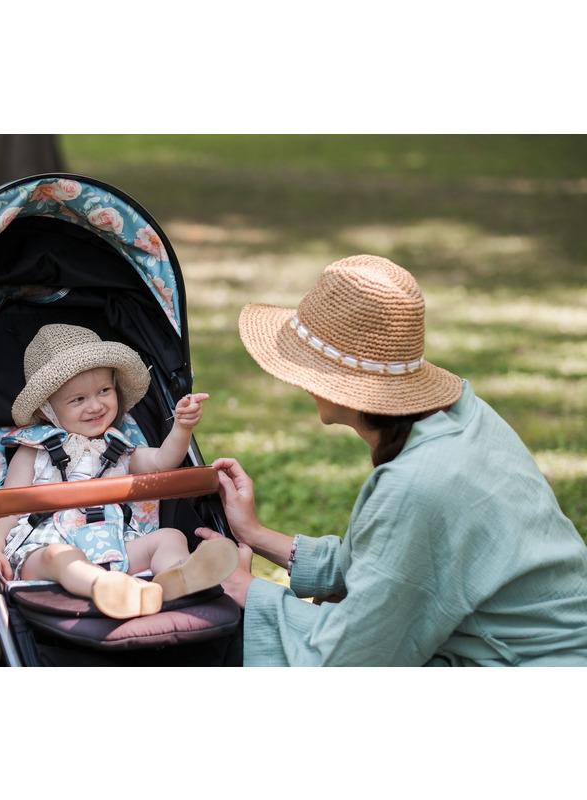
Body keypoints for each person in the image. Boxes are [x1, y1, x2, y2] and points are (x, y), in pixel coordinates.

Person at [196, 254, 587, 666]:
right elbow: (386, 567)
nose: (298, 380)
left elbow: (355, 655)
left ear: (337, 385)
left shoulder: (418, 482)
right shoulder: (462, 417)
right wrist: (255, 534)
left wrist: (247, 589)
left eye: (307, 366)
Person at [0, 324, 238, 620]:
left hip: (114, 544)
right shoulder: (34, 451)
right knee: (59, 557)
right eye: (78, 399)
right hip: (47, 546)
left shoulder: (119, 447)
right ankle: (105, 587)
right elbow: (8, 506)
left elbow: (162, 461)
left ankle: (177, 575)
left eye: (104, 391)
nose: (96, 405)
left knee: (169, 537)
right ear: (47, 410)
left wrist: (182, 427)